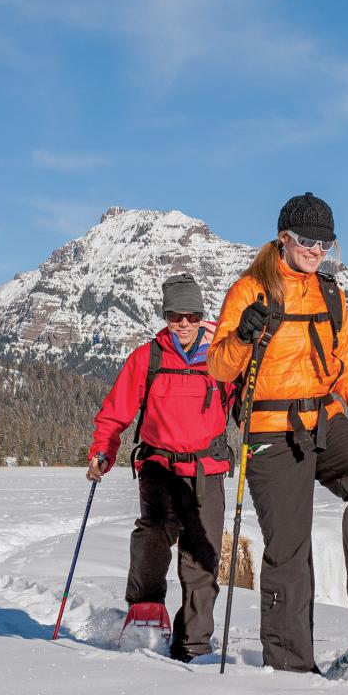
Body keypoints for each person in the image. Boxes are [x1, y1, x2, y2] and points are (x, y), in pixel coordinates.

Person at [207, 192, 348, 673]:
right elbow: (219, 369)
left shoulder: (330, 294)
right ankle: (291, 666)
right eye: (308, 240)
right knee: (290, 547)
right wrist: (242, 336)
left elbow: (345, 374)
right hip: (269, 428)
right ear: (283, 238)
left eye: (326, 243)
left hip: (324, 418)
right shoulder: (250, 290)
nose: (317, 250)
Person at [87, 273, 234, 662]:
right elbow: (115, 413)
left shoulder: (223, 357)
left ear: (202, 315)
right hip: (160, 466)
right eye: (174, 315)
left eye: (191, 314)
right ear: (165, 315)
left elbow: (246, 403)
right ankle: (145, 611)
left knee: (202, 557)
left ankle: (195, 644)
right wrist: (103, 450)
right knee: (153, 535)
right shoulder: (147, 358)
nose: (183, 322)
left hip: (207, 470)